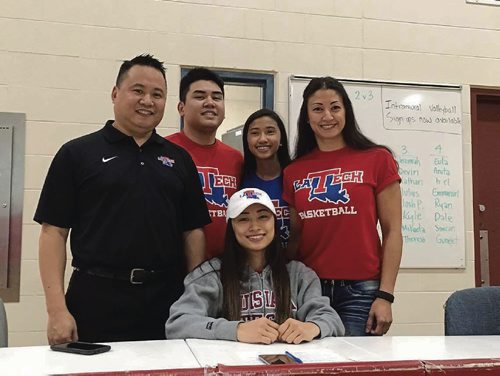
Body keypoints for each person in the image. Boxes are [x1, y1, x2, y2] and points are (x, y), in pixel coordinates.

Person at [34, 54, 210, 344]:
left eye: (158, 94)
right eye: (138, 90)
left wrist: (195, 299)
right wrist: (56, 310)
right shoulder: (76, 154)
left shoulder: (179, 160)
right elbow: (53, 232)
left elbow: (192, 231)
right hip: (95, 299)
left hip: (166, 301)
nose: (148, 101)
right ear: (115, 94)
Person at [282, 76, 402, 336]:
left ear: (346, 111)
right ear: (307, 117)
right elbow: (296, 236)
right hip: (310, 290)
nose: (327, 116)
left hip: (361, 291)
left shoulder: (378, 159)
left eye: (335, 107)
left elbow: (393, 231)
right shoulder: (294, 171)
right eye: (318, 109)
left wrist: (386, 295)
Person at [165, 188, 345, 343]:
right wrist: (236, 330)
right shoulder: (210, 274)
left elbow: (331, 319)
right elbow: (178, 323)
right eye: (243, 219)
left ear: (275, 222)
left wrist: (312, 327)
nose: (254, 226)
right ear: (231, 227)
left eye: (263, 217)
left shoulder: (299, 274)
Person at [167, 68, 243, 259]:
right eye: (200, 96)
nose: (210, 103)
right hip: (172, 272)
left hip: (227, 272)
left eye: (217, 97)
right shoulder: (163, 151)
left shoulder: (236, 159)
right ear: (181, 108)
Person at [241, 109, 291, 247]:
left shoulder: (296, 176)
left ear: (281, 138)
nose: (262, 139)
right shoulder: (240, 178)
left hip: (294, 263)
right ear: (247, 140)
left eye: (270, 132)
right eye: (255, 133)